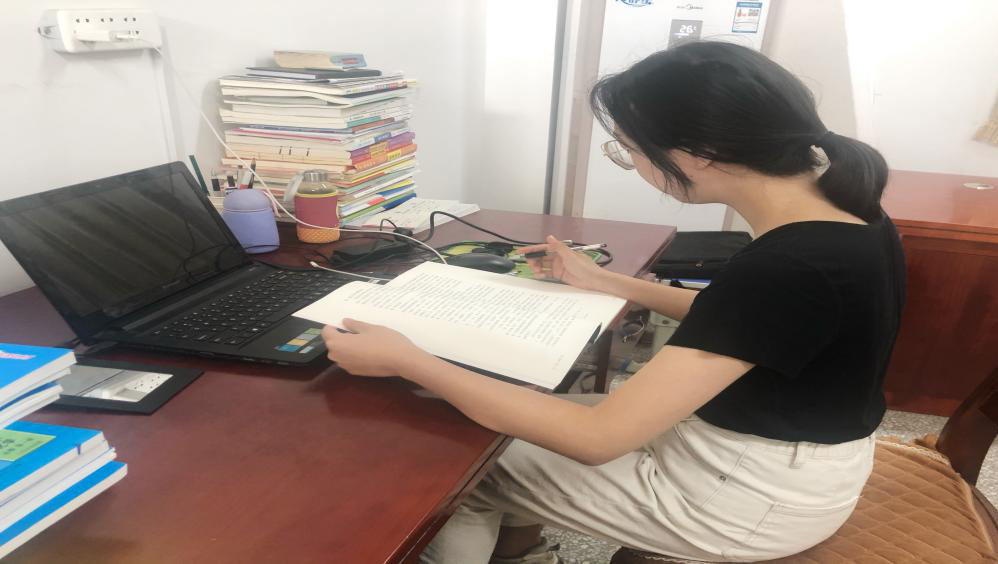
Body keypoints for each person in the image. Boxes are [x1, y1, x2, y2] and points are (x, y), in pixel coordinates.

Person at [321, 41, 905, 564]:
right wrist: (609, 283)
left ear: (699, 153)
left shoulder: (788, 264)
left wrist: (409, 360)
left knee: (458, 463)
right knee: (519, 412)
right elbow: (747, 325)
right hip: (784, 457)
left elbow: (597, 439)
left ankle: (513, 544)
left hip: (745, 495)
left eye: (629, 150)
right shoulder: (842, 212)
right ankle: (524, 552)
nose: (634, 165)